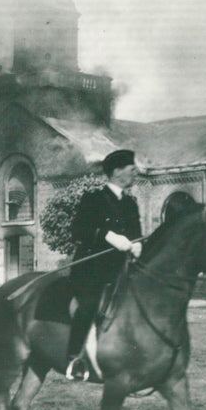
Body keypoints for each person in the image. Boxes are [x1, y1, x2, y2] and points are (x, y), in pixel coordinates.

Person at [66, 149, 142, 381]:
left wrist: (138, 245)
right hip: (92, 270)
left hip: (122, 269)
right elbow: (77, 230)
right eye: (131, 169)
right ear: (117, 172)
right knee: (89, 304)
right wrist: (107, 236)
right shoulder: (94, 199)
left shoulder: (131, 203)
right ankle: (75, 359)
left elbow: (135, 234)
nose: (135, 173)